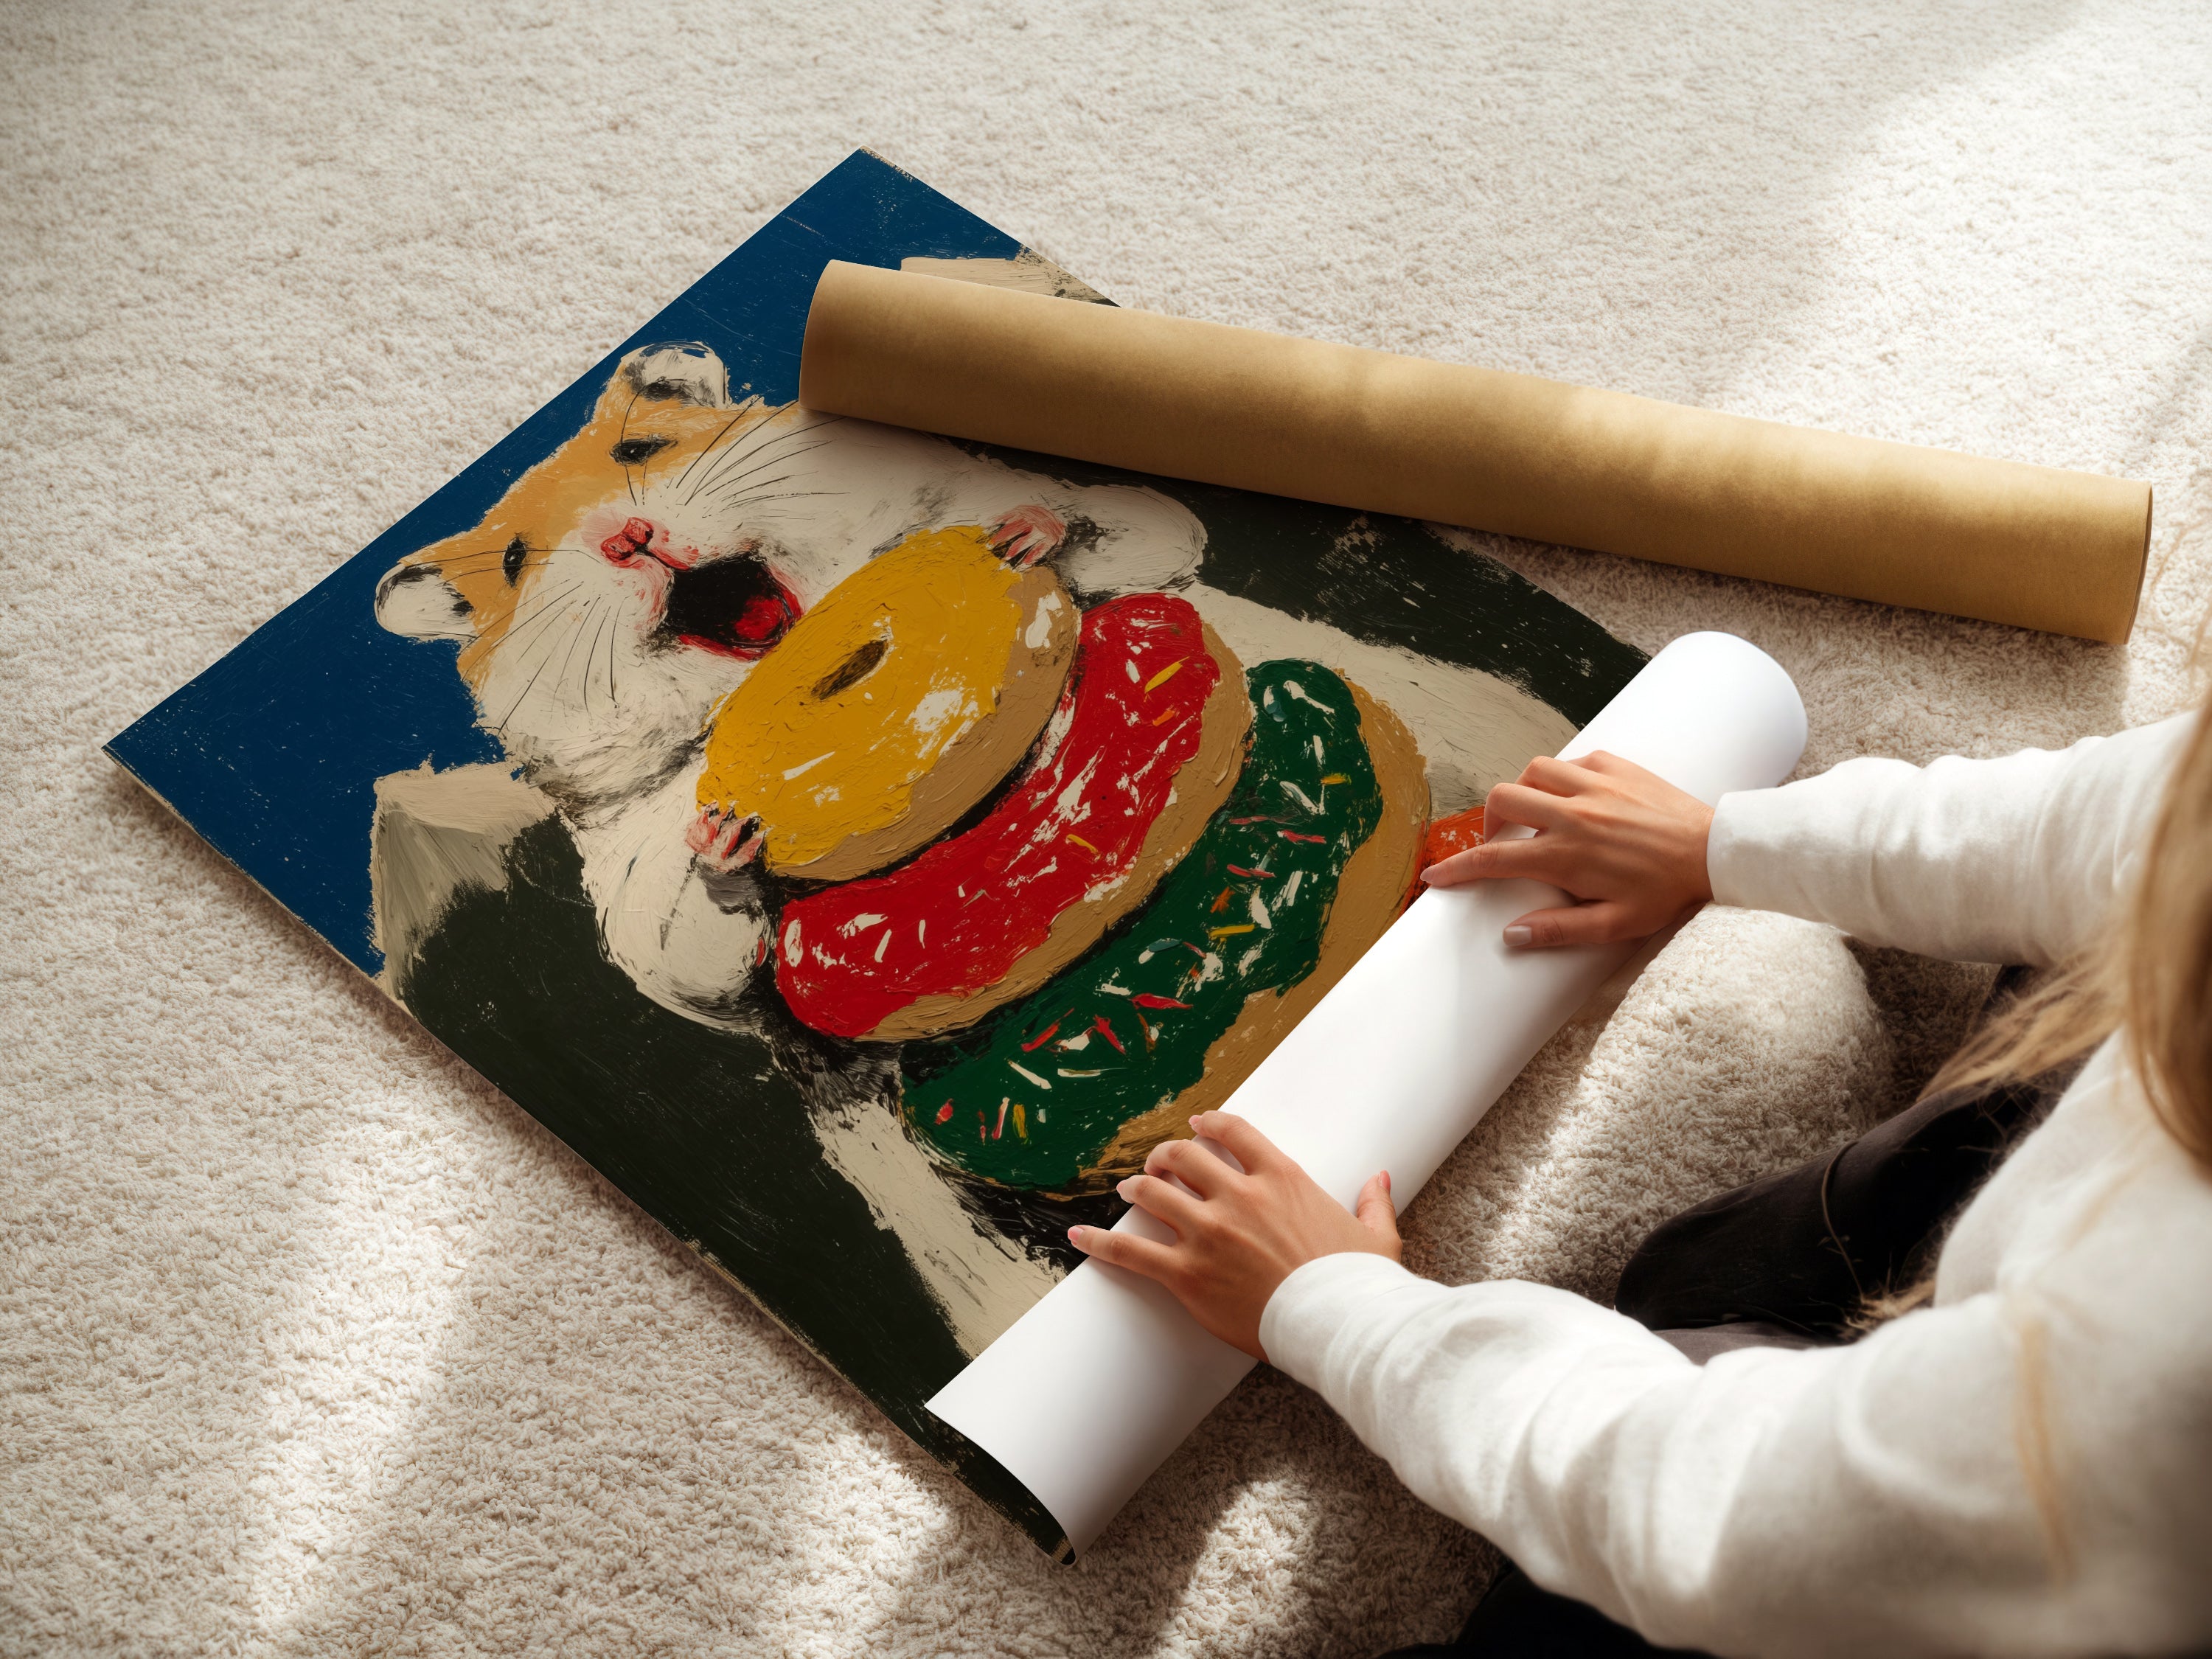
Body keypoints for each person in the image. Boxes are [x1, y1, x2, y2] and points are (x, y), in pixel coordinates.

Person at [1069, 710, 2212, 1656]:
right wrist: (1720, 841)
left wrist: (1338, 1308)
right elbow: (2118, 818)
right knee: (1703, 1273)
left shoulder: (2157, 1377)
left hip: (2050, 1558)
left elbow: (1716, 1513)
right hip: (2059, 1350)